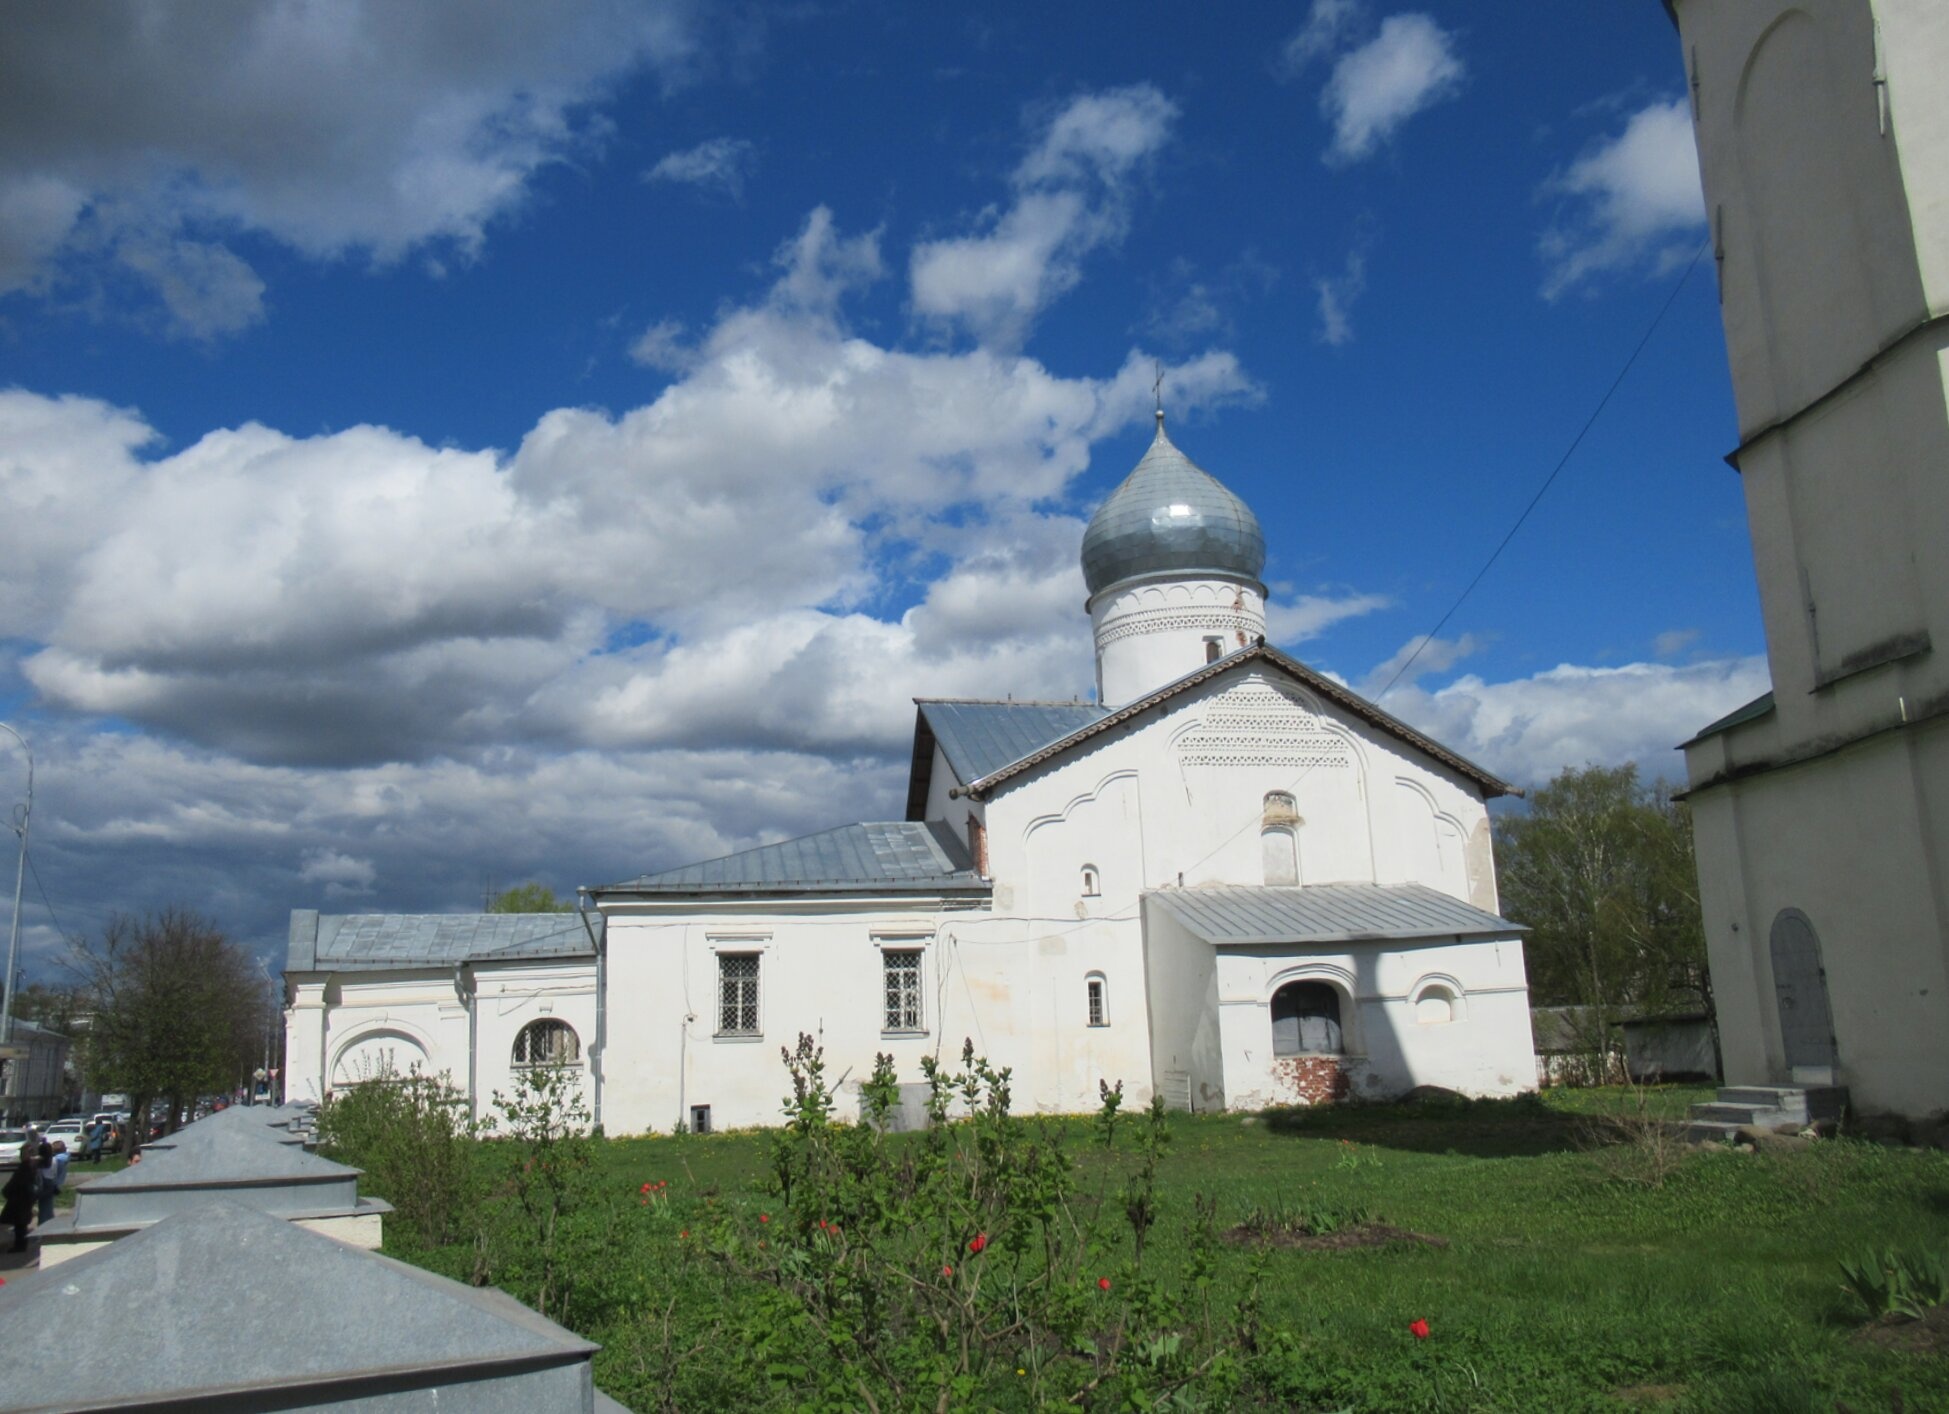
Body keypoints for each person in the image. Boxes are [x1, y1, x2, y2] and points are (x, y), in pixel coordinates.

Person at [2, 1152, 37, 1253]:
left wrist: (8, 1194)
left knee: (19, 1226)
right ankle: (22, 1245)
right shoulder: (31, 1171)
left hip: (18, 1202)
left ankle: (19, 1246)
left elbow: (10, 1188)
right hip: (25, 1202)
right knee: (22, 1225)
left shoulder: (22, 1171)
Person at [38, 1141, 67, 1225]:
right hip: (50, 1183)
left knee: (43, 1207)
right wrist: (57, 1185)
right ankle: (47, 1225)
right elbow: (58, 1173)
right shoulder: (55, 1160)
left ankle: (44, 1225)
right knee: (47, 1207)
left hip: (40, 1183)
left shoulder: (38, 1161)